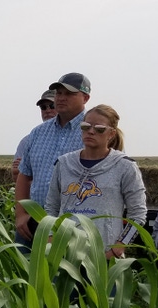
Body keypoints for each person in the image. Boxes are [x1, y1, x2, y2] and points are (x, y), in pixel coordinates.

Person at [45, 104, 147, 259]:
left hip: (104, 257)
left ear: (111, 134)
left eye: (99, 129)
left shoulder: (125, 167)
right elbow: (51, 207)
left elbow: (138, 214)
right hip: (65, 256)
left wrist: (117, 249)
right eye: (86, 126)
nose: (91, 132)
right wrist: (51, 238)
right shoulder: (63, 164)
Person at [15, 73, 91, 248]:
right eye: (58, 93)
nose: (61, 98)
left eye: (69, 94)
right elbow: (24, 176)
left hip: (75, 224)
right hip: (34, 221)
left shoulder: (94, 132)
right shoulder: (38, 133)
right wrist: (20, 214)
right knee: (26, 272)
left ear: (85, 98)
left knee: (69, 274)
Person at [12, 89, 57, 181]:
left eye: (52, 106)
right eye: (43, 107)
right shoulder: (28, 141)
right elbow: (16, 177)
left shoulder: (77, 136)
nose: (47, 110)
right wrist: (17, 172)